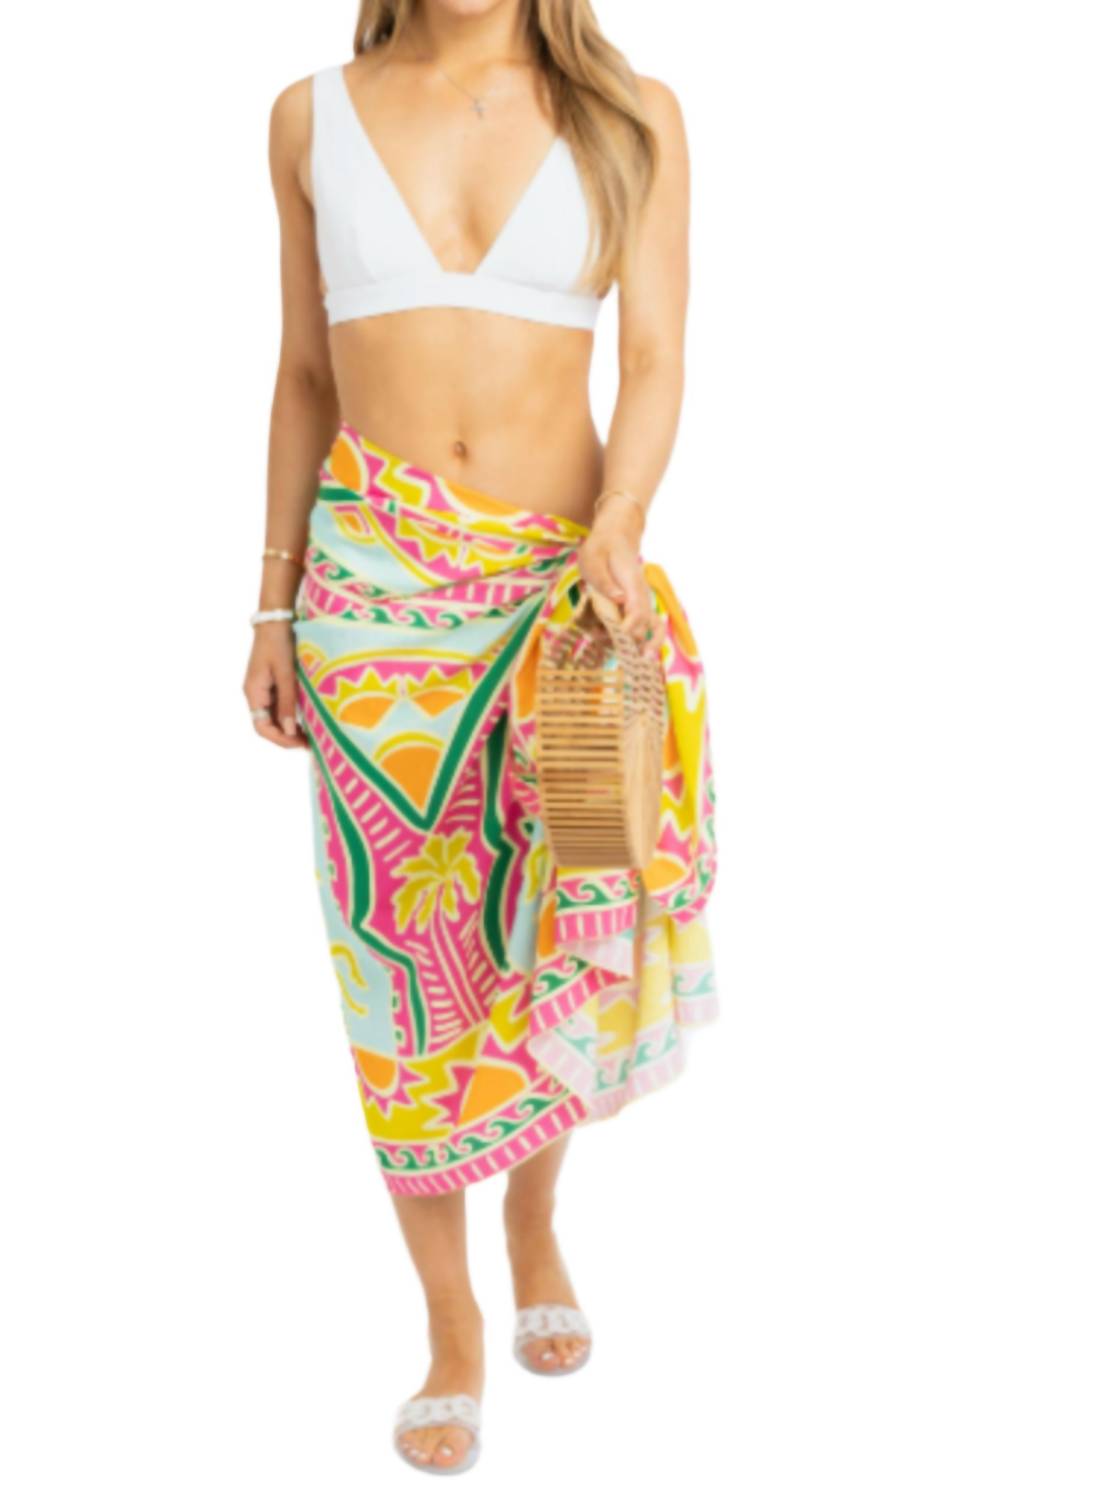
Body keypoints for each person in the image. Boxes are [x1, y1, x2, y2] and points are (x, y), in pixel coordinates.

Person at [243, 0, 719, 1475]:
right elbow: (305, 374)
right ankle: (450, 1320)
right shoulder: (310, 114)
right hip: (370, 603)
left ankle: (535, 1215)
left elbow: (654, 358)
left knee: (543, 924)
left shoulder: (631, 113)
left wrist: (621, 524)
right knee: (398, 967)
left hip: (560, 600)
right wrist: (272, 607)